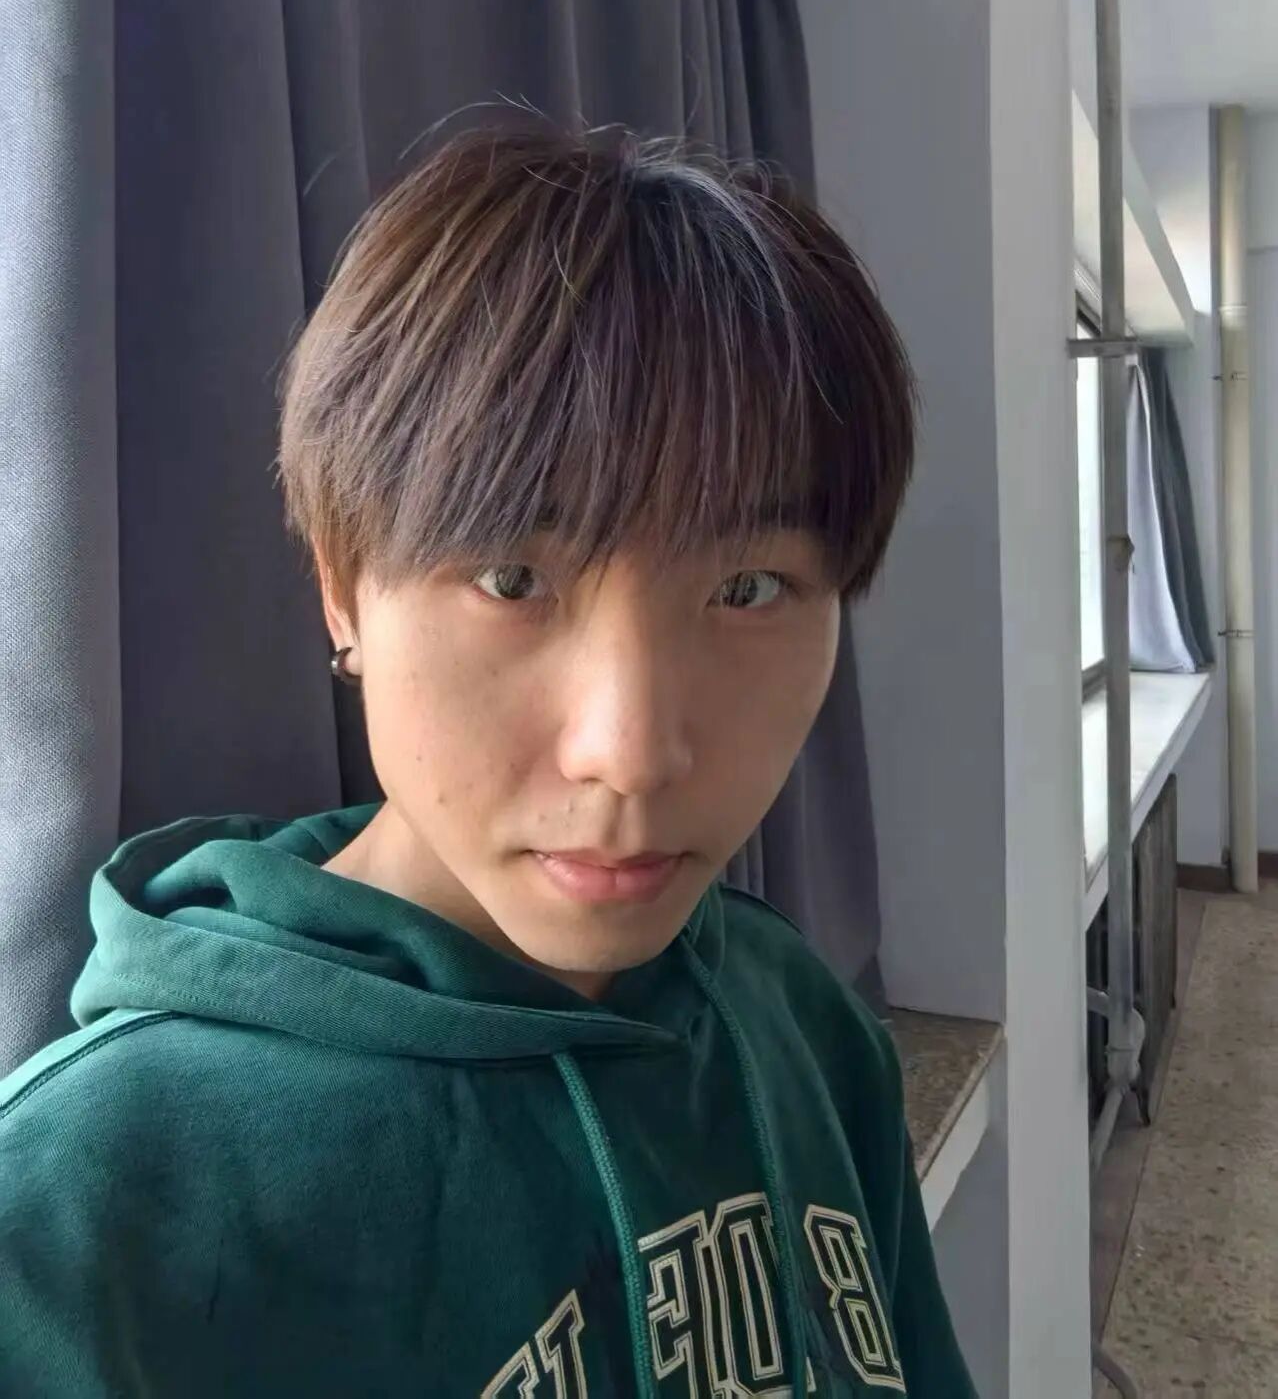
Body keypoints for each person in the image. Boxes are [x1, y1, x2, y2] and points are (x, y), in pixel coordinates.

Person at [0, 125, 977, 1396]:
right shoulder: (78, 1228)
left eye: (748, 587)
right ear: (343, 590)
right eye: (513, 578)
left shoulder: (804, 1025)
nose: (631, 752)